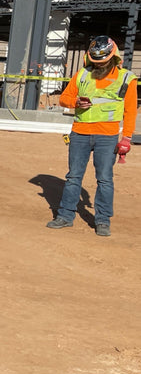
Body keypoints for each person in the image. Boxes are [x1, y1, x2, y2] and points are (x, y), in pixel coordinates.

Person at [47, 35, 137, 236]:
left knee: (104, 179)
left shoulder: (126, 79)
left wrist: (127, 138)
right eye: (96, 61)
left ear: (113, 57)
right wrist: (75, 102)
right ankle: (65, 216)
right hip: (80, 133)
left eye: (103, 61)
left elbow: (130, 111)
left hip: (107, 136)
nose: (99, 65)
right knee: (73, 177)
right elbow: (64, 98)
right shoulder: (82, 74)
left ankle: (103, 220)